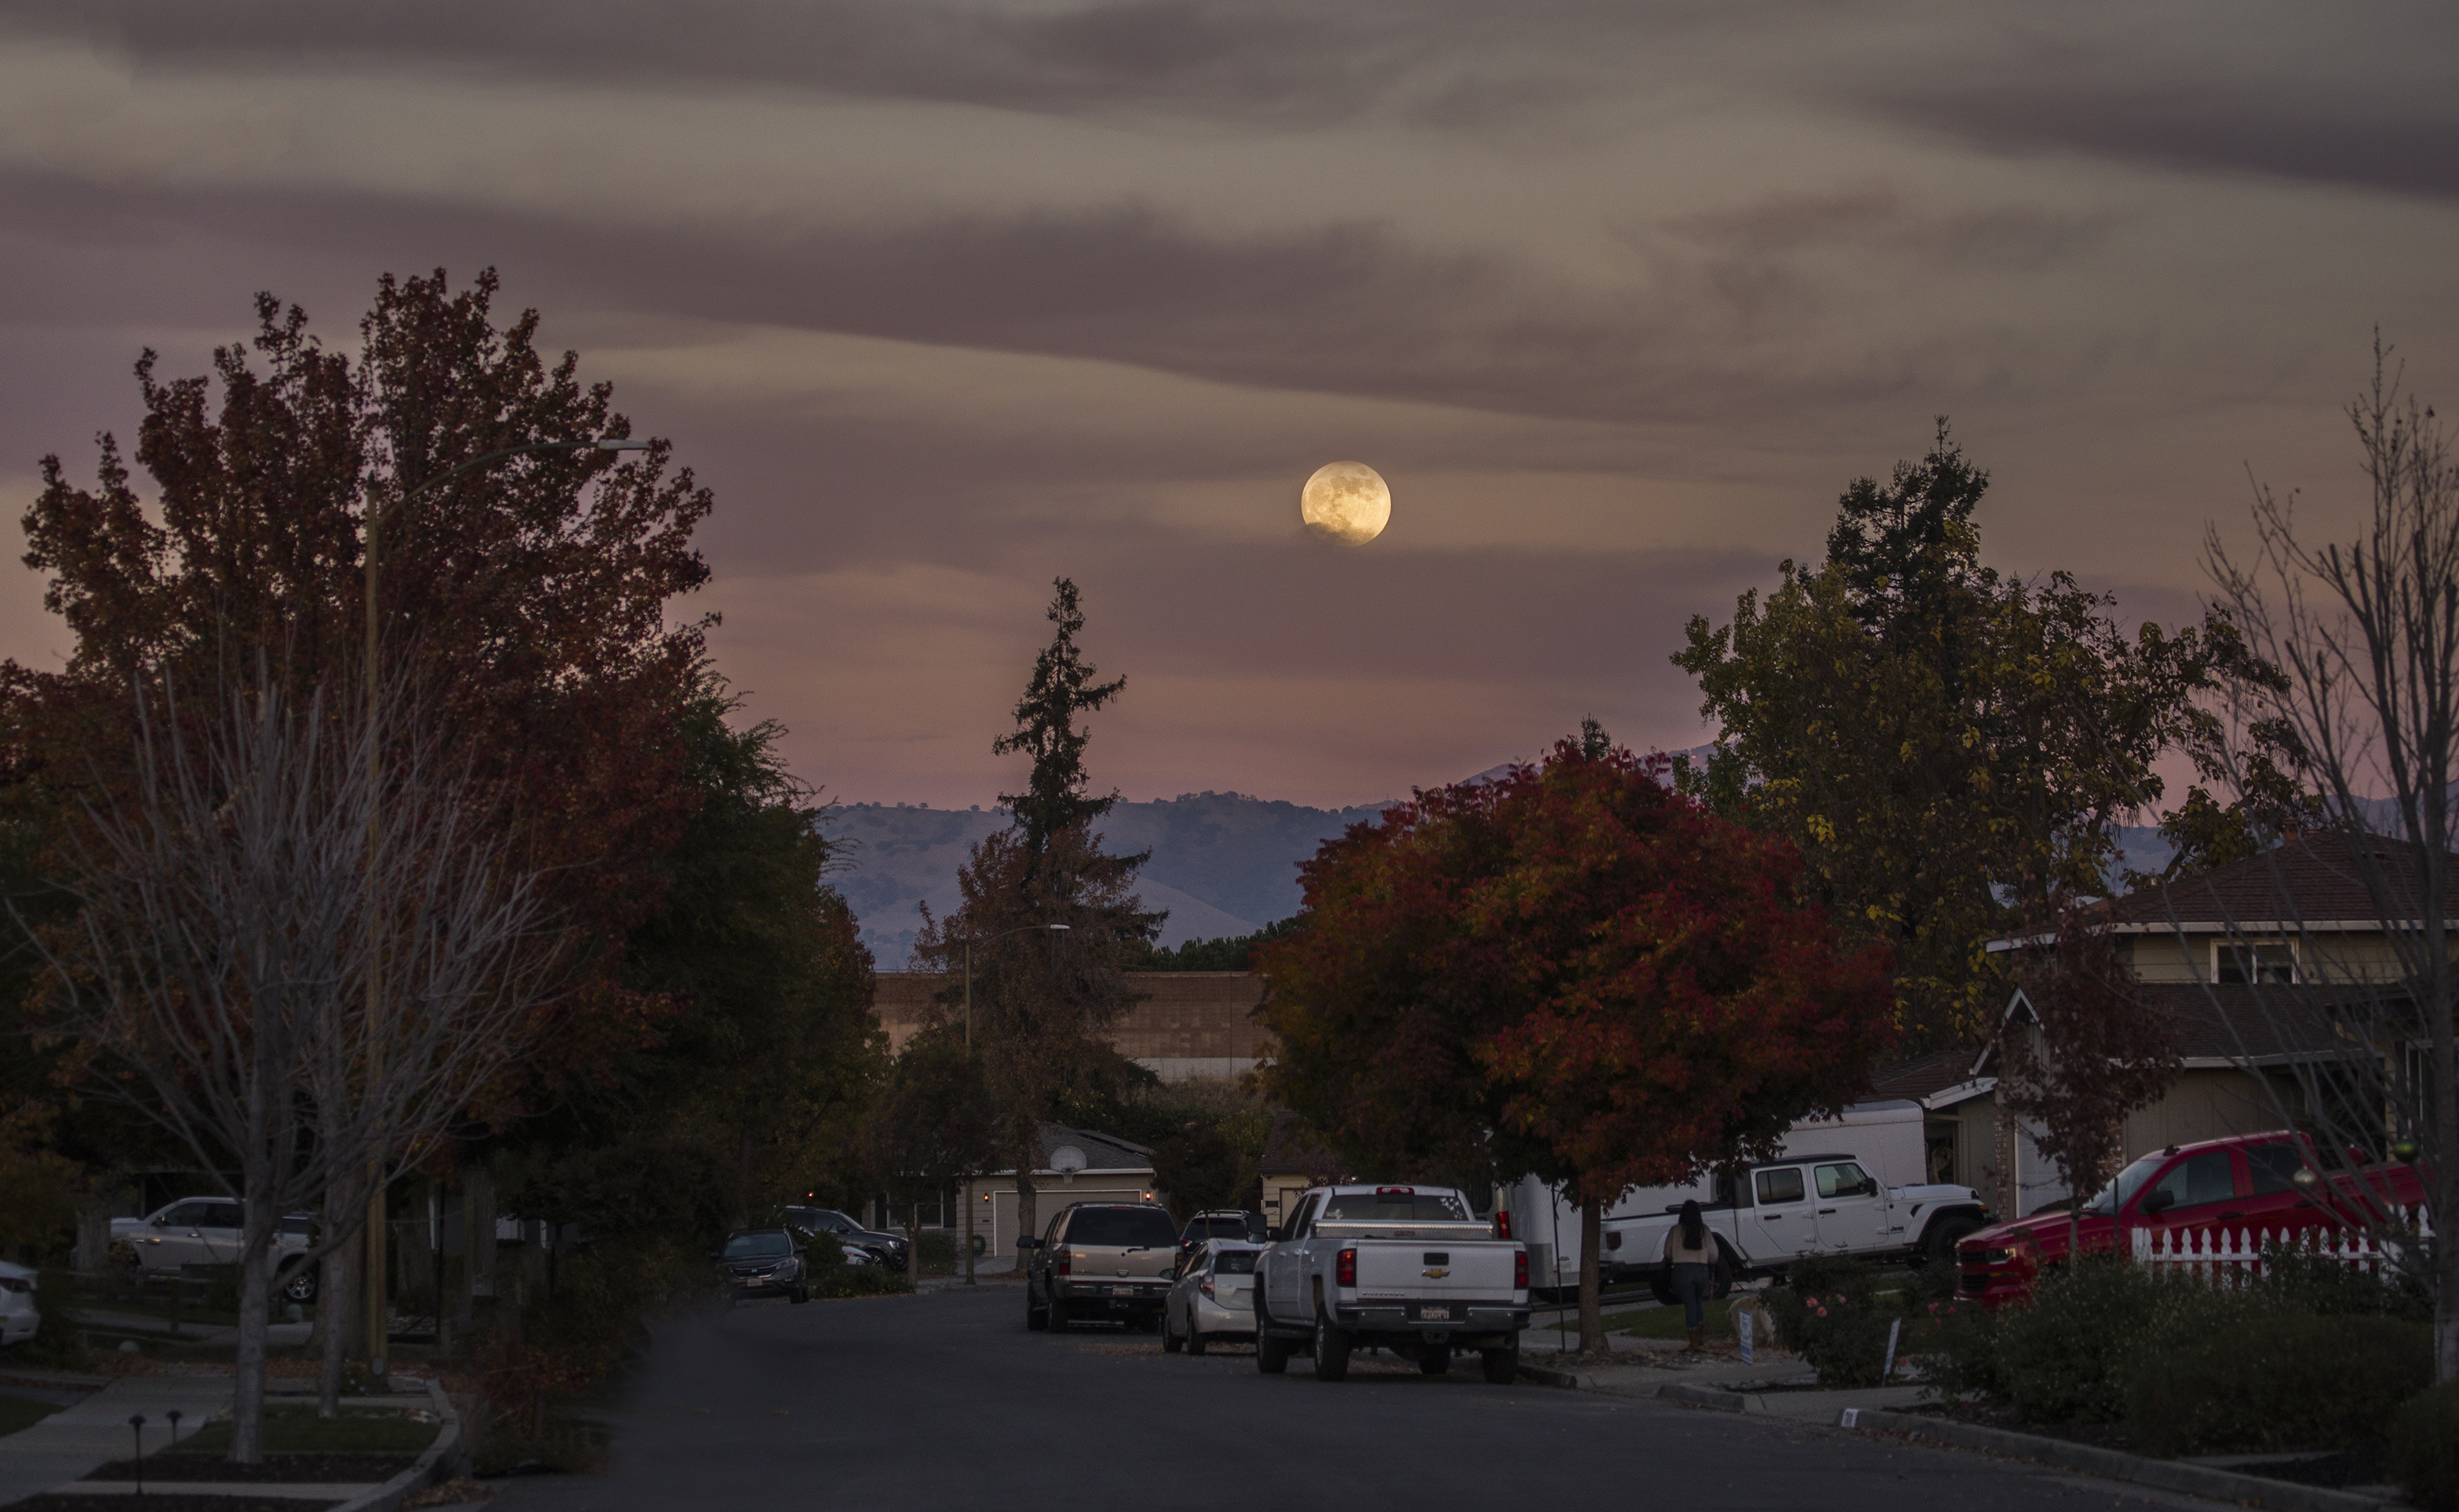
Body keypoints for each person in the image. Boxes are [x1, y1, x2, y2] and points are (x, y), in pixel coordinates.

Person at [1662, 1199, 1716, 1352]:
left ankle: (1693, 1341)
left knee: (1689, 1305)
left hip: (1682, 1270)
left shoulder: (1675, 1230)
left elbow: (1667, 1252)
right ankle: (1700, 1337)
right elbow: (1714, 1254)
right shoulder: (1704, 1230)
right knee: (1698, 1302)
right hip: (1701, 1269)